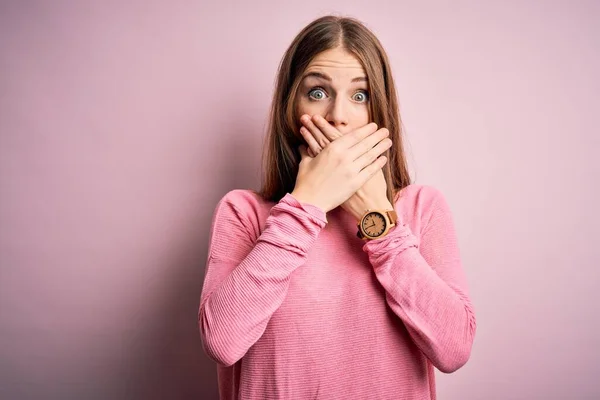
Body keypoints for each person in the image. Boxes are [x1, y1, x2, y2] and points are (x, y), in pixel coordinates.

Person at [198, 15, 476, 400]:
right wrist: (306, 205)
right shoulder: (243, 213)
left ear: (380, 113)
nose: (337, 115)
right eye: (317, 92)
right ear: (289, 108)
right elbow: (222, 342)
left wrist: (380, 223)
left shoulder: (422, 208)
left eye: (359, 96)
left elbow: (454, 349)